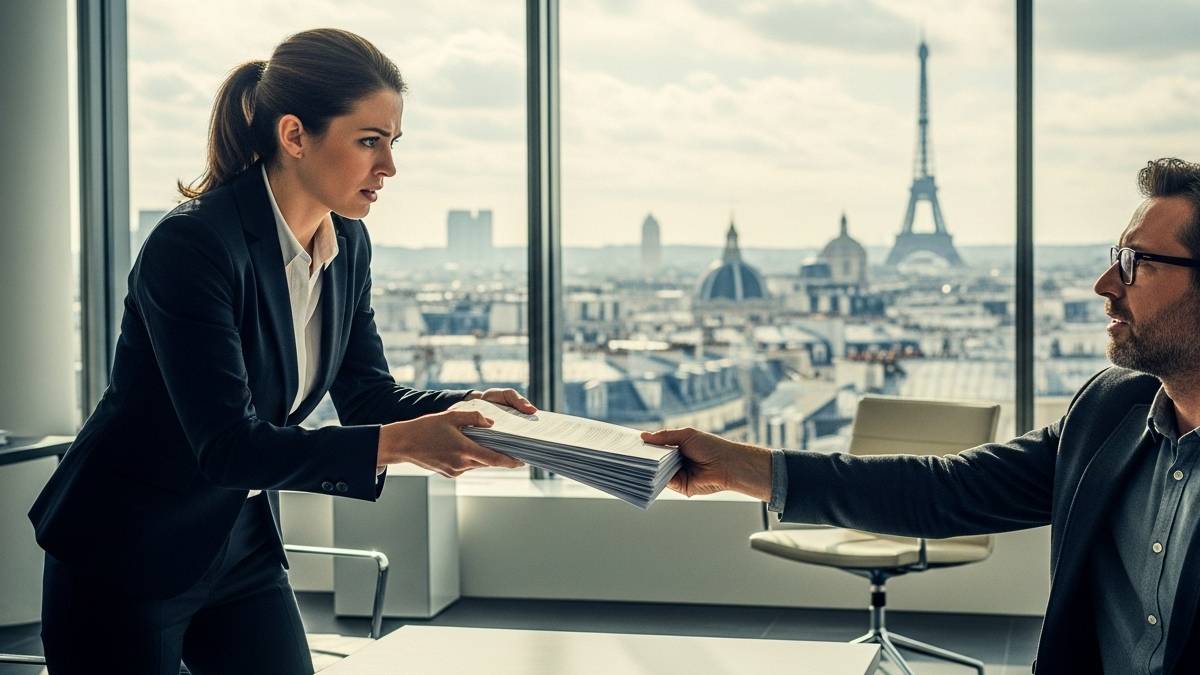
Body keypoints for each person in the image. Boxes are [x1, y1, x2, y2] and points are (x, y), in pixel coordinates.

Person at [28, 28, 530, 675]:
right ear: (295, 136)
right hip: (128, 545)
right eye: (369, 141)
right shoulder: (195, 247)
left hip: (239, 541)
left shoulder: (346, 245)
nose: (390, 168)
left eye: (393, 143)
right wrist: (405, 442)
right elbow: (228, 444)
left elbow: (367, 393)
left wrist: (465, 406)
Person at [644, 158, 1200, 674]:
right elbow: (946, 490)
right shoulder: (1110, 411)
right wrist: (741, 466)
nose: (1105, 285)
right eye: (1113, 258)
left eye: (1136, 263)